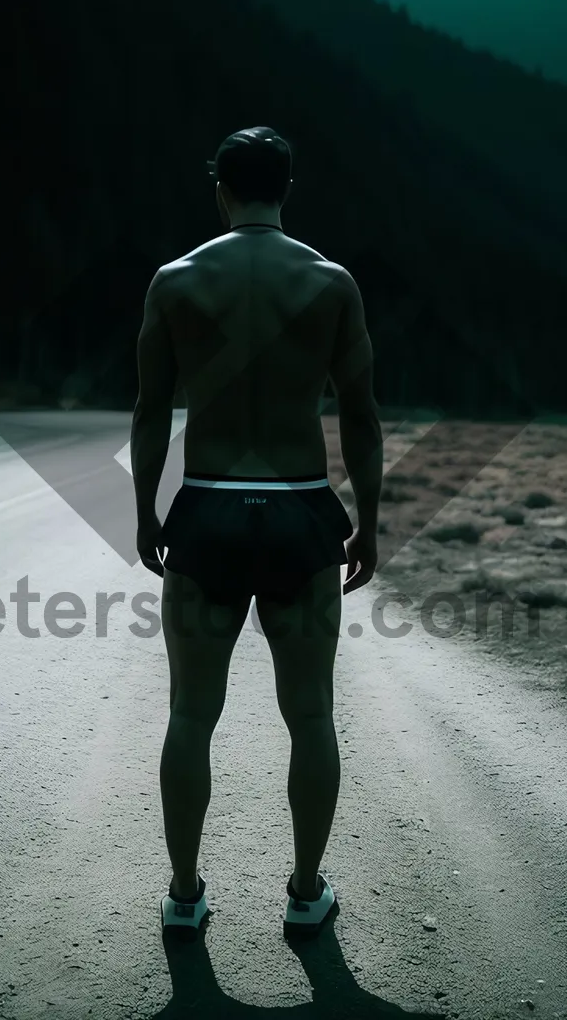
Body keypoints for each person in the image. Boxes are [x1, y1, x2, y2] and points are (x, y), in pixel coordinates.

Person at [131, 127, 383, 941]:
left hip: (205, 511)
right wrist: (370, 521)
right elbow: (361, 414)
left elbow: (148, 413)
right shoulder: (330, 281)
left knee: (189, 716)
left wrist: (145, 510)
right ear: (288, 187)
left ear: (219, 188)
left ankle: (182, 894)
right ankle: (307, 895)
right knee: (310, 715)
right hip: (300, 511)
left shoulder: (175, 280)